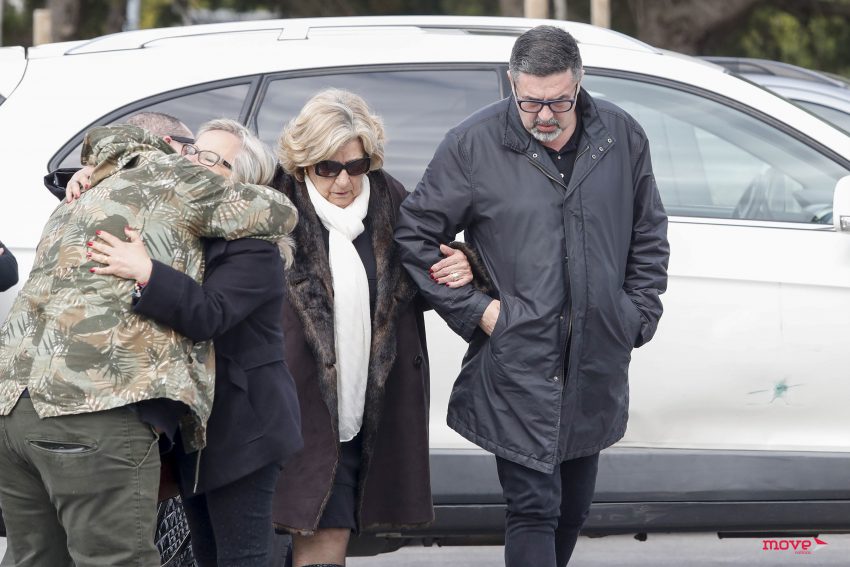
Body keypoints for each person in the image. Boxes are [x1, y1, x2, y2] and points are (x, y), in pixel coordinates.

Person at [394, 26, 670, 567]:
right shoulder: (473, 144)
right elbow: (413, 235)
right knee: (534, 507)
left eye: (559, 102)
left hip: (595, 357)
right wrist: (479, 311)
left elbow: (648, 231)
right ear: (512, 83)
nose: (545, 115)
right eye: (530, 102)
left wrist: (636, 313)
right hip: (519, 359)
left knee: (573, 509)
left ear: (580, 82)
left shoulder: (620, 135)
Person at [0, 114, 297, 566]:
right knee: (198, 554)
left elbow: (210, 313)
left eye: (213, 159)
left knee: (239, 558)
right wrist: (90, 174)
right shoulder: (168, 212)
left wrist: (147, 272)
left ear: (244, 181)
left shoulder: (250, 246)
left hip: (241, 428)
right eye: (193, 151)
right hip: (181, 429)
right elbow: (116, 214)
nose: (192, 163)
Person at [270, 88, 473, 567]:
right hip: (296, 411)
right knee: (308, 540)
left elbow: (429, 269)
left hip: (365, 410)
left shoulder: (390, 201)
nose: (343, 180)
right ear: (303, 162)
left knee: (328, 539)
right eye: (327, 167)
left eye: (356, 166)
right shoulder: (273, 207)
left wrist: (463, 263)